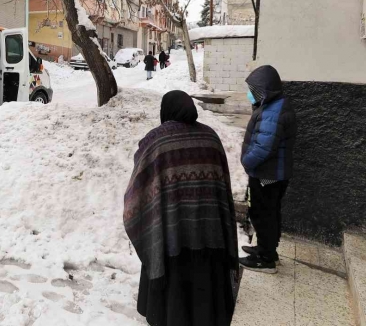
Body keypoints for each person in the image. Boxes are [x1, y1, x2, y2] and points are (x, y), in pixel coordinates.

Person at [124, 91, 240, 326]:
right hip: (210, 233)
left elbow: (139, 187)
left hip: (169, 237)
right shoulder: (211, 137)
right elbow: (223, 187)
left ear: (165, 111)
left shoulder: (157, 141)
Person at [239, 65, 297, 274]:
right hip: (270, 173)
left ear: (265, 90)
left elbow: (264, 147)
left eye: (253, 90)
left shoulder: (273, 111)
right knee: (267, 213)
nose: (250, 94)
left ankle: (266, 259)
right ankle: (266, 250)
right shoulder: (274, 106)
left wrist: (247, 161)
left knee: (264, 214)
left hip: (268, 175)